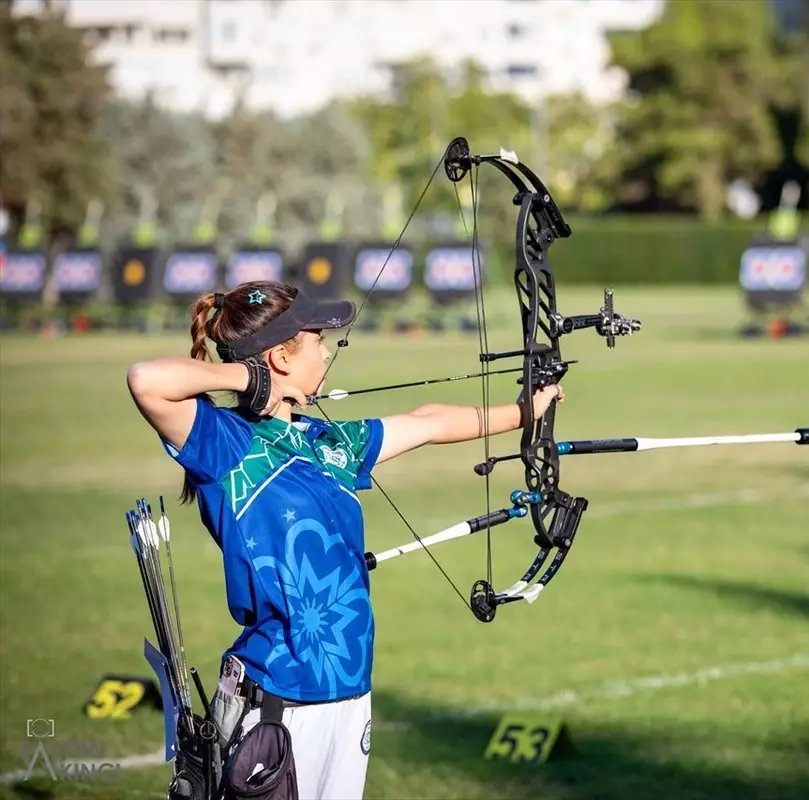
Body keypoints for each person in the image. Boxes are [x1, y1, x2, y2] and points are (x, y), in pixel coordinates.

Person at [126, 280, 563, 799]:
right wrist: (250, 379)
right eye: (316, 339)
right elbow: (146, 379)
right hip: (278, 699)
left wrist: (526, 412)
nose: (328, 349)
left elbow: (427, 422)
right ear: (282, 355)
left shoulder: (328, 442)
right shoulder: (224, 445)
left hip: (349, 694)